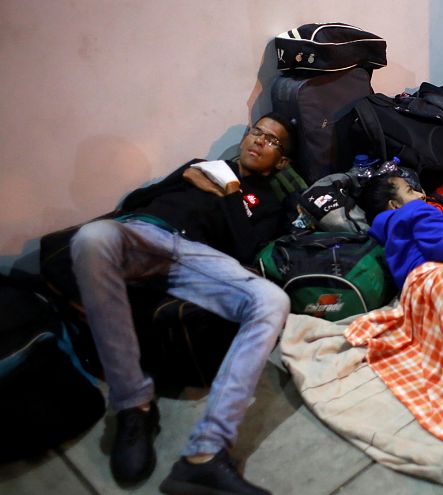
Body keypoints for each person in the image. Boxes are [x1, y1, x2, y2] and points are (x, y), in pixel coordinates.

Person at [70, 112, 297, 495]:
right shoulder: (201, 167)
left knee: (273, 300)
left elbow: (244, 247)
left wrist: (231, 195)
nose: (259, 141)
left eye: (272, 141)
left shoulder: (269, 203)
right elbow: (136, 201)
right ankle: (134, 405)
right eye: (256, 132)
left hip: (194, 257)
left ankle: (205, 455)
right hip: (142, 233)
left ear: (282, 161)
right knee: (91, 238)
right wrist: (181, 177)